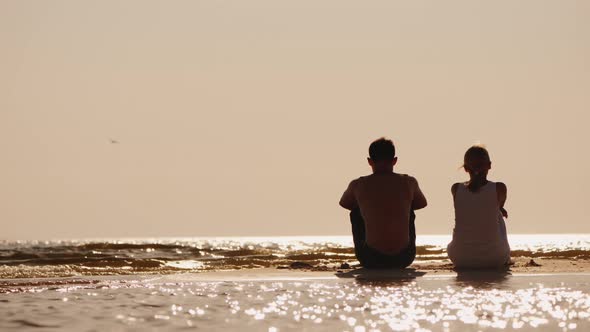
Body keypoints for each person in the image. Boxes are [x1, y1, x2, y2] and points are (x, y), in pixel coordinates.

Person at [339, 138, 427, 268]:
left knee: (356, 212)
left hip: (370, 259)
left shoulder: (358, 184)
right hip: (404, 258)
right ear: (395, 160)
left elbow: (345, 203)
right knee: (409, 210)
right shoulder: (409, 182)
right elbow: (421, 203)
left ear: (369, 161)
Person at [447, 145, 511, 269]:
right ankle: (506, 258)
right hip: (495, 258)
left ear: (465, 168)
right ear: (489, 165)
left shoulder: (456, 189)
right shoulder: (499, 188)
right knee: (498, 213)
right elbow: (498, 205)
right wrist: (500, 208)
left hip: (460, 258)